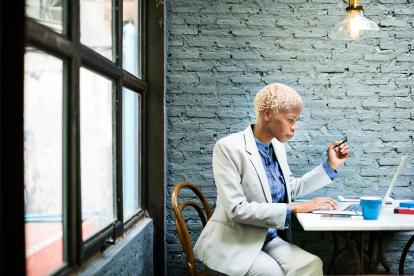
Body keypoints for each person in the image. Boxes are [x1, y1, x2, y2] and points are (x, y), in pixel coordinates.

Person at [193, 83, 349, 276]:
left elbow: (290, 188)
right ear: (267, 115)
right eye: (290, 120)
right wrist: (295, 208)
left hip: (269, 238)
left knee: (312, 264)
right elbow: (236, 209)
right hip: (236, 242)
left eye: (296, 121)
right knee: (273, 273)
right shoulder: (227, 147)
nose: (294, 128)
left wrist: (331, 165)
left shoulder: (277, 148)